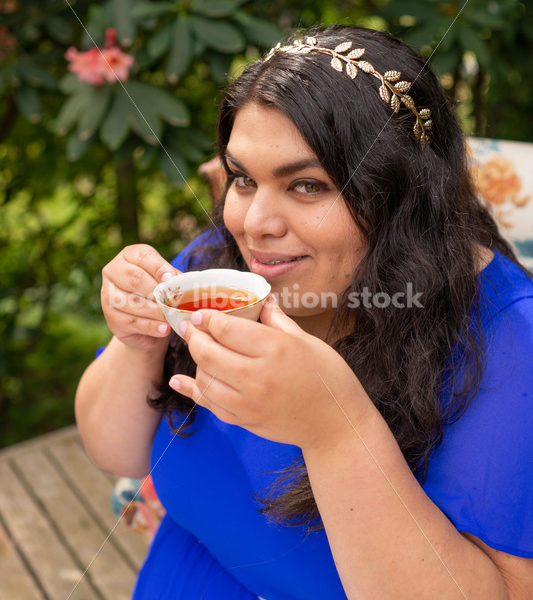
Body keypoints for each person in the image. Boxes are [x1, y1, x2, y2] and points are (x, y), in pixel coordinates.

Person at [75, 25, 533, 599]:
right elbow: (112, 449)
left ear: (402, 192)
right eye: (243, 178)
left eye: (308, 186)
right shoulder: (223, 265)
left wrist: (335, 432)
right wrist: (136, 345)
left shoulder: (512, 346)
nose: (254, 223)